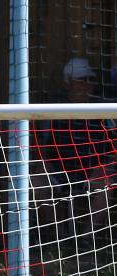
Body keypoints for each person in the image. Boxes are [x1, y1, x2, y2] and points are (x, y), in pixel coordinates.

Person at [31, 58, 115, 247]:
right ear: (67, 82)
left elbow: (115, 144)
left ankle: (86, 239)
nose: (87, 84)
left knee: (107, 185)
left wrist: (105, 166)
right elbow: (40, 143)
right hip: (59, 168)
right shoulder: (53, 107)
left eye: (90, 79)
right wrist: (45, 164)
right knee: (37, 183)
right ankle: (59, 238)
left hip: (93, 169)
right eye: (81, 80)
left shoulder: (103, 107)